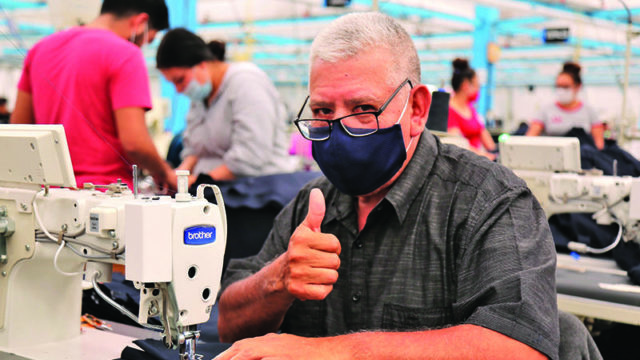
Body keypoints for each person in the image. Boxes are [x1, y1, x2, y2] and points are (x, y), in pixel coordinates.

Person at [215, 12, 559, 360]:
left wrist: (334, 352)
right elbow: (228, 322)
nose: (338, 130)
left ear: (417, 109)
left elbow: (523, 348)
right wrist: (277, 279)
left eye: (363, 108)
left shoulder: (487, 201)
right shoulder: (310, 204)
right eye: (321, 110)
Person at [10, 0, 176, 191]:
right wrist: (163, 172)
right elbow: (135, 143)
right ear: (141, 22)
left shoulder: (39, 50)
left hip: (47, 197)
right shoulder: (126, 54)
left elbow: (19, 130)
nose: (143, 45)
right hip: (105, 197)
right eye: (149, 38)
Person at [156, 28, 295, 184]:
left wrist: (196, 182)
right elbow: (194, 149)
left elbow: (250, 158)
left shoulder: (246, 83)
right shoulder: (201, 96)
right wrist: (180, 175)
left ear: (202, 64)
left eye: (180, 80)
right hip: (214, 190)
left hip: (257, 192)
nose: (178, 90)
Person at [526, 62, 605, 149]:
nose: (561, 90)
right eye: (558, 86)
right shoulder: (545, 110)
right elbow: (530, 137)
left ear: (577, 86)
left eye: (566, 87)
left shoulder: (589, 111)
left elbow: (599, 144)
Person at [448, 58, 497, 159]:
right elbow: (457, 144)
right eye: (476, 86)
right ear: (466, 85)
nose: (478, 90)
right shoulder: (449, 110)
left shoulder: (471, 109)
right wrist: (484, 156)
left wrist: (495, 152)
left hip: (477, 160)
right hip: (464, 162)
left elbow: (483, 133)